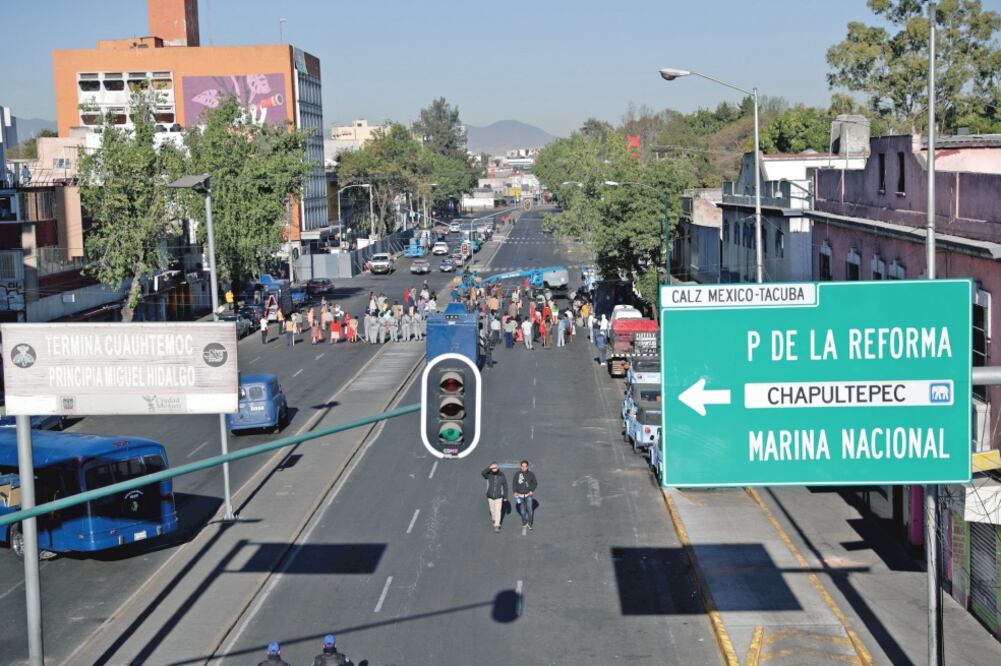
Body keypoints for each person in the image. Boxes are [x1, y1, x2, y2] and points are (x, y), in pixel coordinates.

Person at [481, 462, 508, 532]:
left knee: (498, 511)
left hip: (499, 496)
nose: (494, 469)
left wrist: (505, 496)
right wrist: (489, 467)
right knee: (492, 510)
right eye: (493, 468)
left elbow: (505, 486)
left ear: (498, 467)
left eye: (495, 467)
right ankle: (494, 518)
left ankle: (497, 525)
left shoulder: (502, 475)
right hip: (490, 496)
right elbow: (482, 473)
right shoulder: (489, 475)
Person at [512, 460, 538, 530]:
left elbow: (535, 483)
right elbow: (514, 484)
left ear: (527, 467)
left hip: (528, 495)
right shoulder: (517, 474)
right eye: (522, 466)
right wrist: (514, 491)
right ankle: (524, 521)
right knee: (523, 511)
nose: (524, 468)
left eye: (525, 466)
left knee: (530, 510)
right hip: (520, 496)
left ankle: (529, 523)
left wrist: (531, 490)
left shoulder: (531, 474)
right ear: (520, 466)